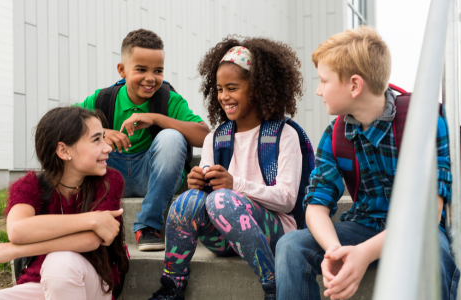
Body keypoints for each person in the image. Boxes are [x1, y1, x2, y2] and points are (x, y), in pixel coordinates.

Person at [275, 26, 460, 300]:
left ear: (354, 85)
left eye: (324, 81)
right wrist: (336, 251)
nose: (318, 90)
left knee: (435, 257)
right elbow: (315, 206)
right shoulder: (335, 134)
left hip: (417, 232)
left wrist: (364, 254)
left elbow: (429, 213)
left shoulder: (424, 120)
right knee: (291, 245)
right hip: (363, 226)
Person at [143, 37, 304, 300]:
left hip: (273, 234)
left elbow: (287, 200)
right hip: (224, 234)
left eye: (232, 88)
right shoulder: (216, 138)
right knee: (187, 201)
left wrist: (234, 185)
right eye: (219, 89)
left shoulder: (283, 135)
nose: (223, 96)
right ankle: (172, 287)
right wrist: (198, 183)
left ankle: (273, 287)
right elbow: (209, 195)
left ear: (257, 89)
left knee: (221, 199)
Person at [75, 29, 210, 251]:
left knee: (172, 137)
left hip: (153, 175)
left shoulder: (169, 100)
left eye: (158, 70)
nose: (150, 78)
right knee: (83, 137)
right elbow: (60, 125)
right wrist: (101, 132)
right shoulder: (102, 99)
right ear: (122, 70)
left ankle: (148, 225)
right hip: (111, 174)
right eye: (141, 69)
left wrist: (156, 118)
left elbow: (205, 136)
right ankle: (85, 221)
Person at [0, 107, 129, 299]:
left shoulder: (109, 180)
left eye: (103, 137)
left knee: (61, 262)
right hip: (40, 284)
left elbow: (91, 240)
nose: (107, 147)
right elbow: (18, 230)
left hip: (94, 281)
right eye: (96, 140)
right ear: (63, 150)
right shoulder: (30, 185)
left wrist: (15, 250)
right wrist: (91, 219)